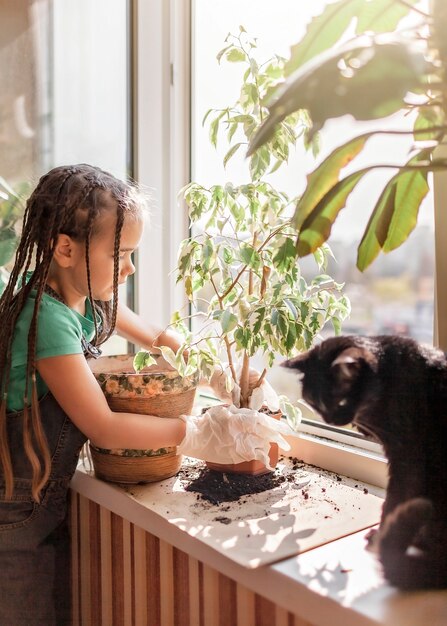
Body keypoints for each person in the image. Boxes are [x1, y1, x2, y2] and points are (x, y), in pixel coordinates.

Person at [0, 164, 291, 625]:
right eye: (121, 254)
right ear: (65, 248)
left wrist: (222, 375)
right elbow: (105, 427)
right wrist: (195, 435)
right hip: (14, 510)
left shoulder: (86, 298)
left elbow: (156, 335)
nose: (131, 268)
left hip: (40, 497)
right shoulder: (47, 318)